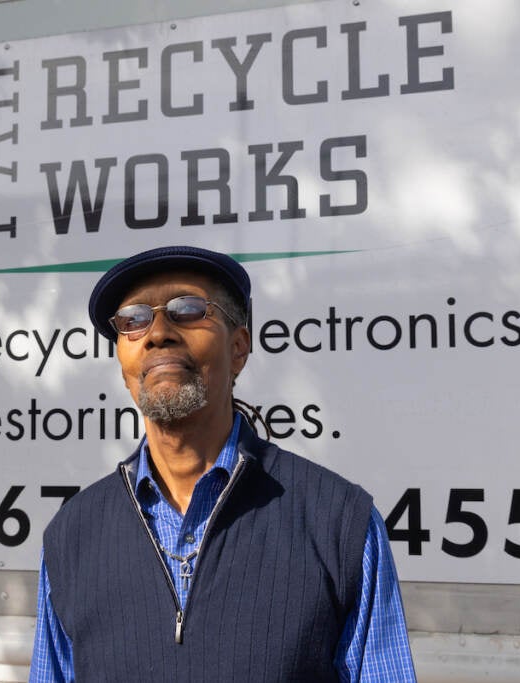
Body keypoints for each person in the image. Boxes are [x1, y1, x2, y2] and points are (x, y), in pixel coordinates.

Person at [29, 245, 416, 682]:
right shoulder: (72, 536)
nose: (157, 332)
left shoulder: (339, 523)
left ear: (239, 347)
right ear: (122, 362)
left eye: (188, 310)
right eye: (133, 319)